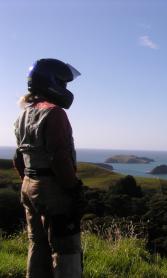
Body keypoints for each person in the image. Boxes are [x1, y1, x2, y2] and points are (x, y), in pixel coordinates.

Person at [13, 58, 84, 278]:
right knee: (66, 249)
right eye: (63, 83)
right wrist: (73, 189)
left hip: (28, 185)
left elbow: (18, 157)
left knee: (37, 244)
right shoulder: (54, 113)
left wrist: (30, 182)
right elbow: (59, 157)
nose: (64, 89)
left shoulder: (23, 113)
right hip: (53, 189)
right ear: (52, 82)